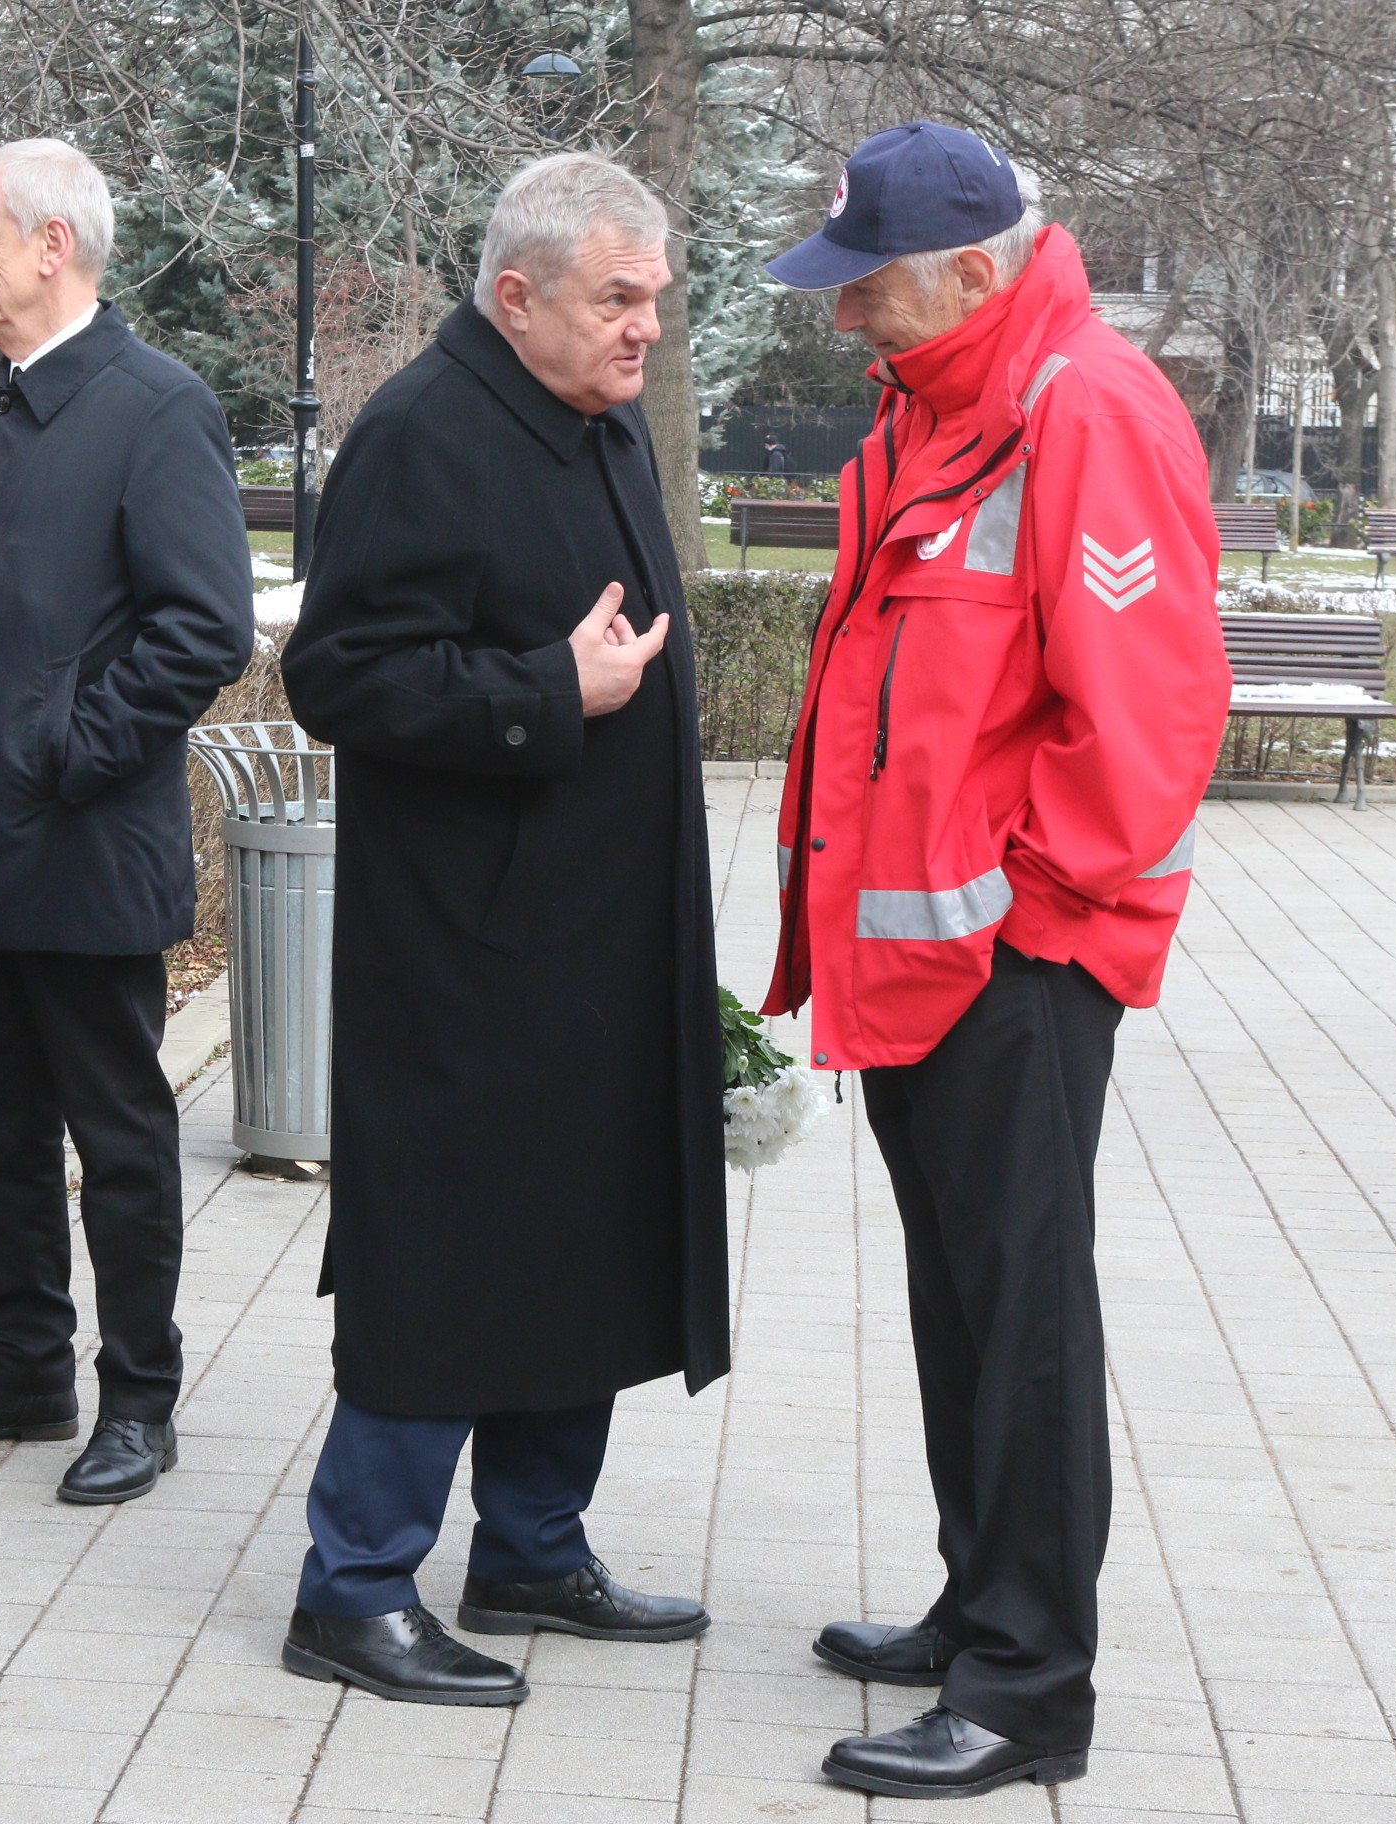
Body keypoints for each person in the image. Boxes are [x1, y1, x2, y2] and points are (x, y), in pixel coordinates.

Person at [757, 123, 1229, 1797]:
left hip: (1014, 960)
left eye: (866, 285)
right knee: (963, 1297)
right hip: (927, 955)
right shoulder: (937, 404)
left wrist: (1028, 911)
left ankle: (1029, 1685)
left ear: (973, 271)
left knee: (1022, 1313)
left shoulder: (1085, 410)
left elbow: (1149, 715)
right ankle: (980, 1604)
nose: (843, 315)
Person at [274, 152, 727, 1707]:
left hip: (598, 938)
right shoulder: (423, 431)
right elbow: (338, 675)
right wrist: (546, 690)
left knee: (575, 1243)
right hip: (468, 953)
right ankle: (352, 1590)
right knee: (451, 1259)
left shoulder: (596, 422)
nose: (646, 326)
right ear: (517, 295)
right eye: (619, 298)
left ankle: (532, 1550)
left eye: (656, 298)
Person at [0, 139, 251, 1505]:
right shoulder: (9, 403)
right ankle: (23, 1368)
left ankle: (138, 1399)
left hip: (80, 845)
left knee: (118, 1136)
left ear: (52, 246)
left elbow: (203, 628)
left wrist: (62, 752)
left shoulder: (156, 406)